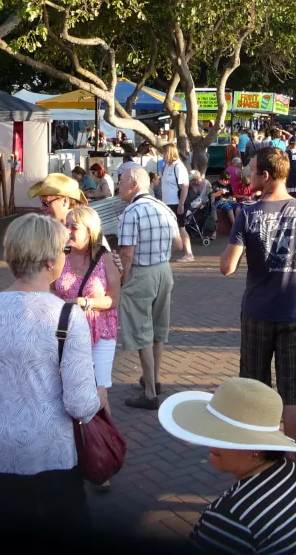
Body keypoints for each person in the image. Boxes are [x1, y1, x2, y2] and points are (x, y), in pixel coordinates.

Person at [0, 214, 100, 524]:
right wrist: (98, 397)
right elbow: (80, 405)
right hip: (49, 452)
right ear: (50, 261)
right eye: (63, 250)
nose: (66, 257)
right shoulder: (67, 316)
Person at [220, 148, 296, 445]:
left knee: (254, 388)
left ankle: (258, 451)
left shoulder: (248, 214)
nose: (248, 176)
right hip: (295, 312)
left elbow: (227, 268)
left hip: (257, 313)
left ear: (265, 176)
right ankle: (291, 456)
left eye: (252, 171)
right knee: (293, 394)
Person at [158, 378, 296, 554]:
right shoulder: (292, 472)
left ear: (254, 447)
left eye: (223, 435)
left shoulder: (227, 520)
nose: (210, 444)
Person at [117, 166, 182, 409]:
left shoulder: (131, 212)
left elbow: (127, 253)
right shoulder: (163, 207)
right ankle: (153, 378)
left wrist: (122, 279)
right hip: (163, 270)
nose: (118, 184)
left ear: (134, 184)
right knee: (157, 329)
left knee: (142, 330)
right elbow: (178, 244)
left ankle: (150, 393)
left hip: (142, 273)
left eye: (121, 180)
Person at [53, 206, 120, 410]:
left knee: (98, 390)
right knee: (68, 387)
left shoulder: (105, 257)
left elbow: (113, 301)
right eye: (66, 226)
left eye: (74, 227)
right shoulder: (59, 255)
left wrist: (84, 302)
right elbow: (48, 289)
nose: (68, 231)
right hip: (67, 330)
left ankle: (106, 438)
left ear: (89, 231)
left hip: (100, 330)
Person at [161, 143, 193, 263]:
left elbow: (184, 186)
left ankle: (188, 253)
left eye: (164, 152)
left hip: (175, 202)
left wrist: (181, 204)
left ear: (169, 152)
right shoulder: (167, 166)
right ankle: (175, 250)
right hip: (167, 203)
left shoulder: (178, 166)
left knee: (181, 227)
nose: (162, 154)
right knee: (172, 228)